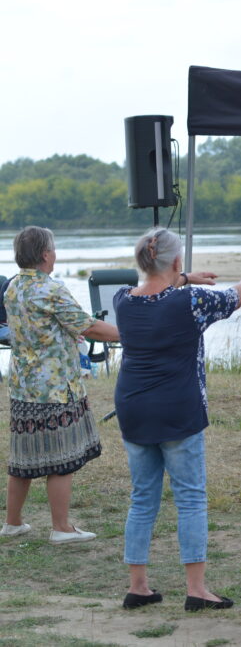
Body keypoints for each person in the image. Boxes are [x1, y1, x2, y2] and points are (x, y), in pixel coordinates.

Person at [113, 227, 241, 612]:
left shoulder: (123, 301)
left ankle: (138, 587)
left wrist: (182, 278)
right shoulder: (190, 301)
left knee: (142, 498)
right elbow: (233, 298)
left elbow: (159, 287)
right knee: (191, 497)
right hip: (178, 410)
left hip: (133, 408)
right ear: (177, 261)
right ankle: (196, 589)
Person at [0, 226, 119, 544]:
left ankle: (12, 523)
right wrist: (132, 332)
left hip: (24, 386)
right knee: (62, 459)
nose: (55, 253)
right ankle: (61, 528)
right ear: (44, 254)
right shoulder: (51, 289)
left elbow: (41, 327)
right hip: (55, 387)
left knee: (22, 458)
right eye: (53, 248)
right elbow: (89, 326)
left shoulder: (12, 288)